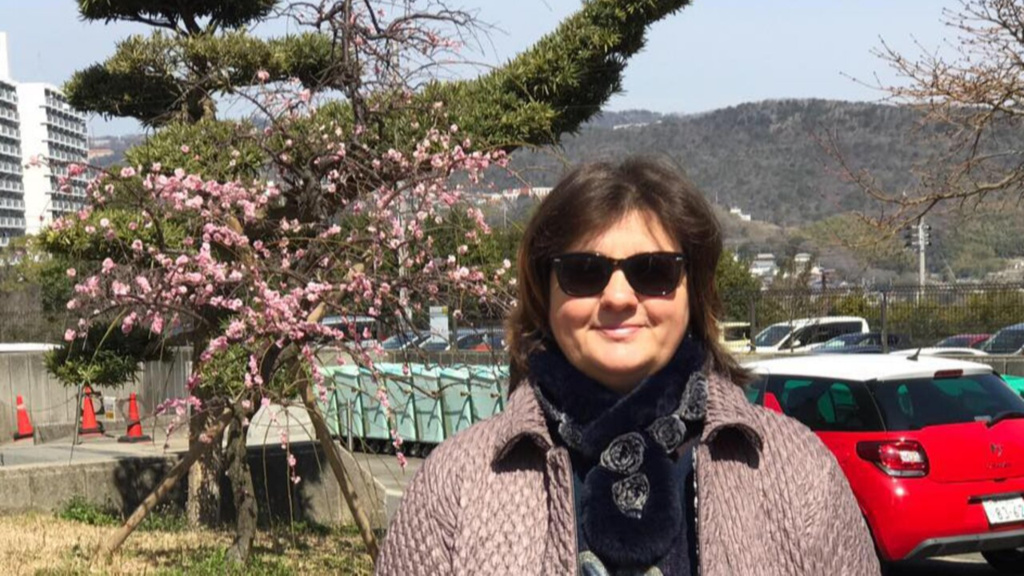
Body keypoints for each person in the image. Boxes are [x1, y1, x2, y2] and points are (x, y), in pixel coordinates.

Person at [376, 158, 879, 575]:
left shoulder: (795, 469)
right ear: (544, 294)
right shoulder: (458, 481)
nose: (618, 297)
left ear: (693, 291)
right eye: (584, 272)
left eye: (653, 271)